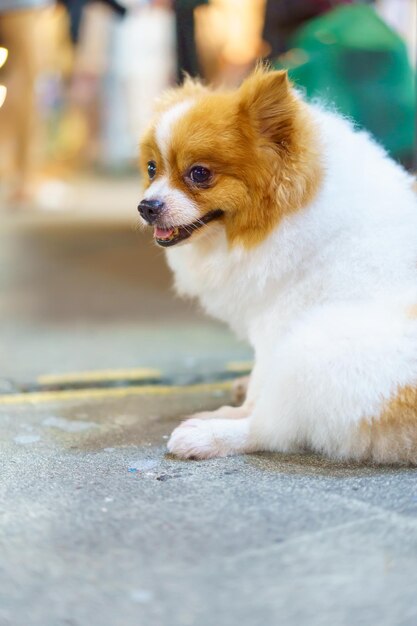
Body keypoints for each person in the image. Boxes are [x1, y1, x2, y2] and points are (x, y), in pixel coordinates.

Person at [0, 0, 53, 204]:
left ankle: (17, 171)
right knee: (23, 83)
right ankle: (26, 180)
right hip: (20, 6)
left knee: (20, 84)